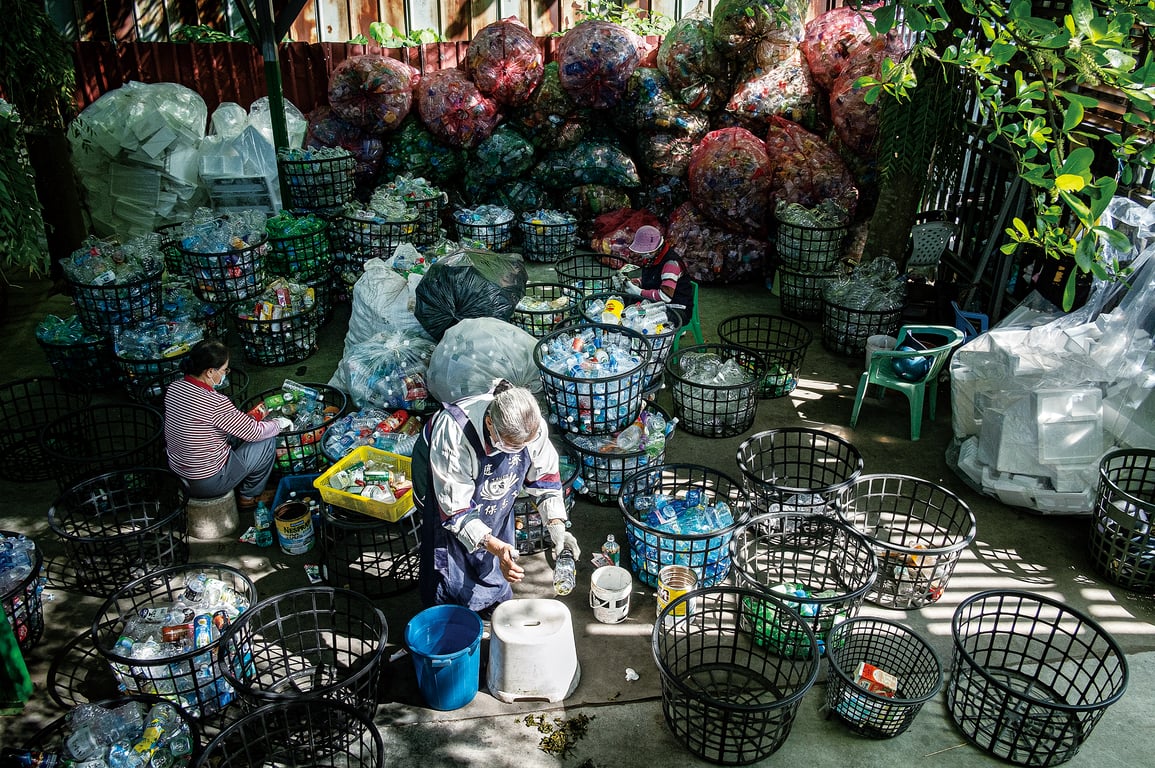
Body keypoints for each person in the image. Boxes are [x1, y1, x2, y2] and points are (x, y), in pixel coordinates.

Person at [413, 380, 580, 615]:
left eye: (524, 444)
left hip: (494, 498)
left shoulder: (531, 426)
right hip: (444, 484)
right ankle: (449, 613)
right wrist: (495, 546)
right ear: (490, 423)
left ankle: (491, 601)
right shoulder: (453, 431)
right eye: (511, 445)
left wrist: (556, 524)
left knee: (498, 535)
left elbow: (545, 478)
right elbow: (456, 511)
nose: (520, 449)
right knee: (448, 551)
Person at [163, 340, 292, 511]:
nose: (225, 374)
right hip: (207, 482)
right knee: (266, 440)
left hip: (180, 474)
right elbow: (255, 433)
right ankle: (250, 496)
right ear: (210, 372)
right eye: (224, 370)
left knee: (240, 431)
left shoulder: (175, 388)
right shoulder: (214, 402)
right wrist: (279, 423)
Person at [615, 224, 695, 327]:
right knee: (624, 302)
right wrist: (636, 282)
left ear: (657, 247)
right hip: (657, 304)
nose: (644, 255)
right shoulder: (652, 258)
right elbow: (654, 277)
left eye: (646, 251)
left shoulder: (671, 263)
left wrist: (639, 292)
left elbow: (665, 296)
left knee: (642, 320)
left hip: (676, 309)